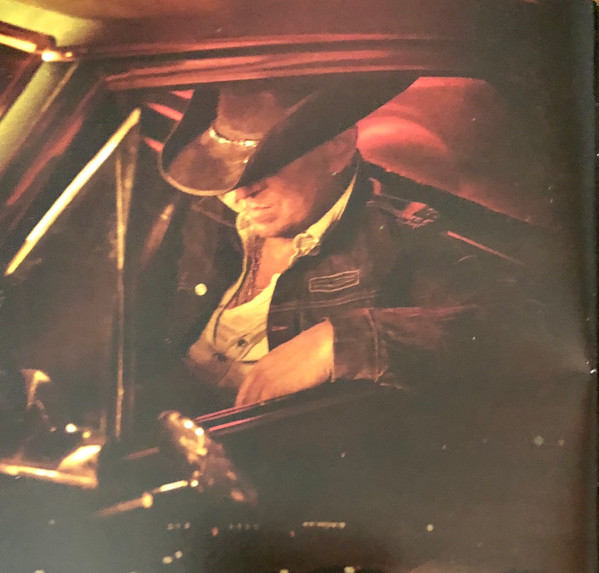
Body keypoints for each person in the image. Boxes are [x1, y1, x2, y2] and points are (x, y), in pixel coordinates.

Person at [138, 77, 528, 416]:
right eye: (228, 168)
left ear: (339, 146)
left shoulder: (400, 236)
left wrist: (342, 341)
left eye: (264, 167)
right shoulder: (207, 209)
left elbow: (512, 337)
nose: (238, 193)